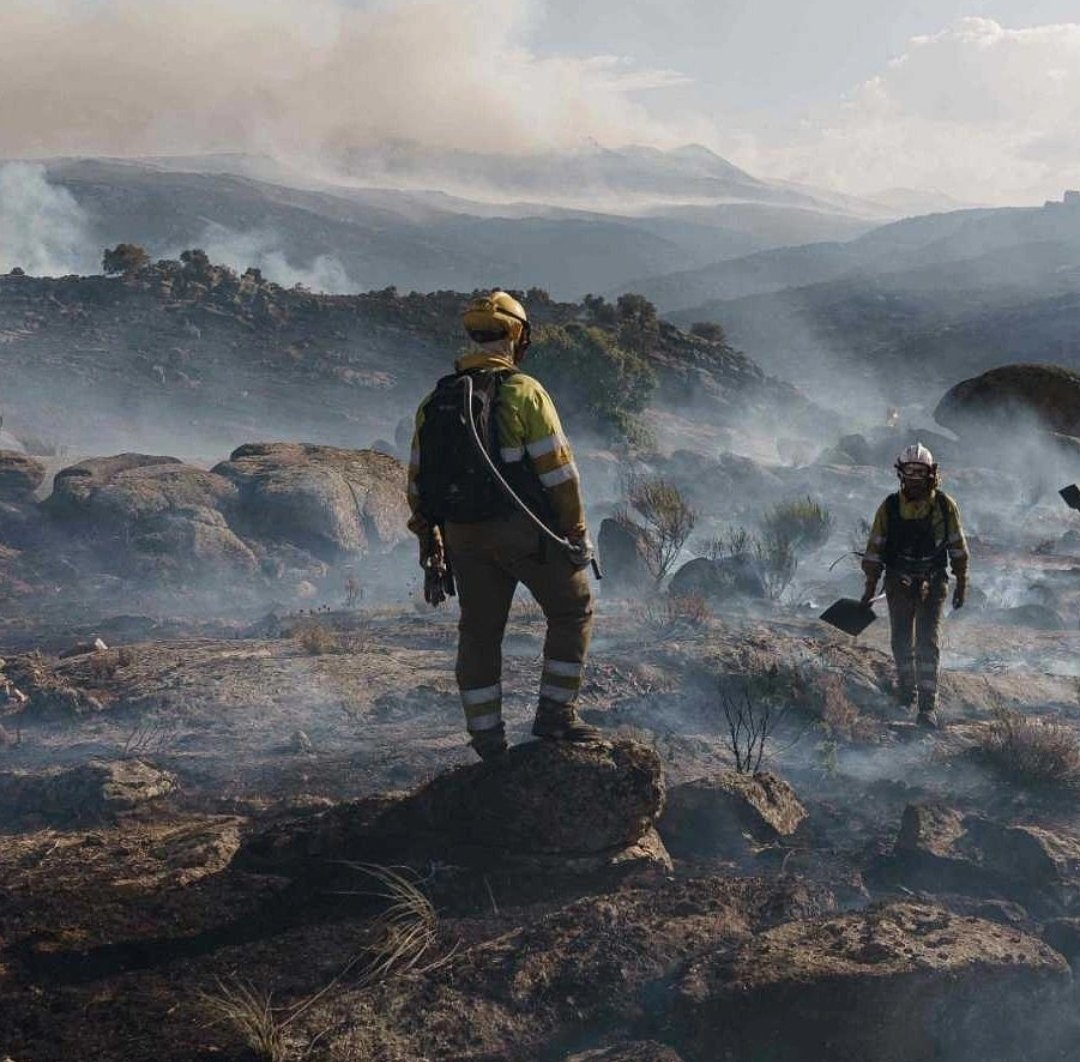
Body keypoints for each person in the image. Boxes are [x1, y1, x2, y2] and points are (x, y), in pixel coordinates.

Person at [407, 291, 599, 760]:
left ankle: (487, 739)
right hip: (524, 531)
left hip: (462, 537)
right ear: (519, 336)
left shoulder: (435, 400)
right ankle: (556, 715)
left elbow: (417, 484)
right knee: (573, 609)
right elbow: (560, 475)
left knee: (479, 632)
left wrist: (431, 542)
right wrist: (575, 534)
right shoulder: (524, 391)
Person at [860, 442, 969, 728]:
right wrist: (870, 587)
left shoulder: (944, 506)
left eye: (920, 472)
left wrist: (962, 583)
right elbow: (875, 549)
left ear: (931, 473)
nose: (915, 478)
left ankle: (927, 707)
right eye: (910, 471)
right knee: (900, 640)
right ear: (901, 473)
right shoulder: (889, 507)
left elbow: (958, 547)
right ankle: (906, 691)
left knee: (927, 642)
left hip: (933, 582)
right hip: (898, 581)